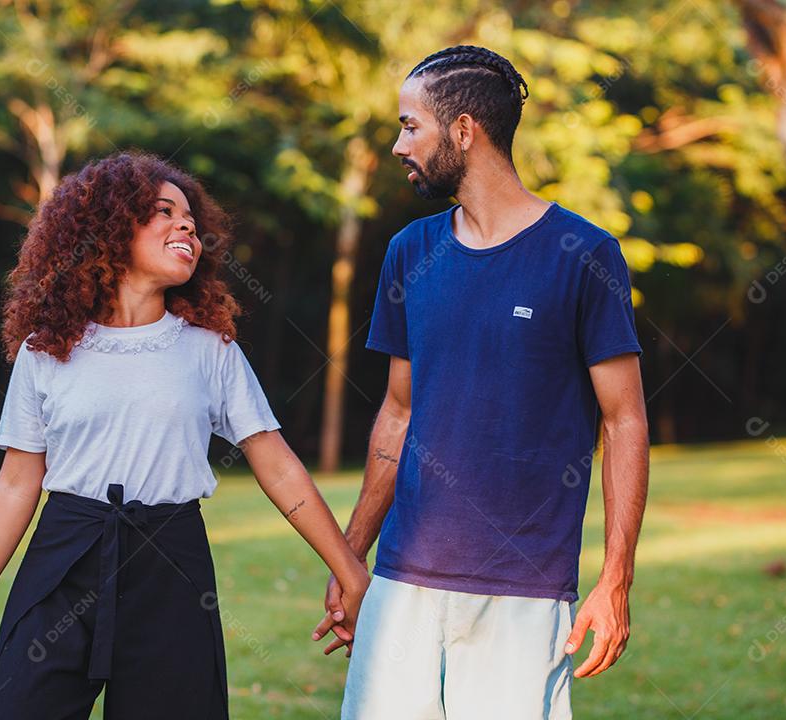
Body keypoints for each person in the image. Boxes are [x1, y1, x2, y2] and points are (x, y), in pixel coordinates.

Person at [0, 150, 370, 719]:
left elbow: (278, 465)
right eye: (163, 211)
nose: (186, 224)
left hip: (173, 567)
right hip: (64, 558)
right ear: (109, 228)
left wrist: (349, 572)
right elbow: (15, 487)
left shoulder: (210, 349)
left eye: (190, 217)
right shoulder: (47, 350)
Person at [311, 45, 650, 719]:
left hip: (525, 589)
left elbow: (625, 420)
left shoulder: (585, 256)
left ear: (464, 130)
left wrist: (616, 578)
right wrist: (351, 560)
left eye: (411, 125)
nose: (398, 143)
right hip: (403, 582)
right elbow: (398, 414)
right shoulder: (409, 251)